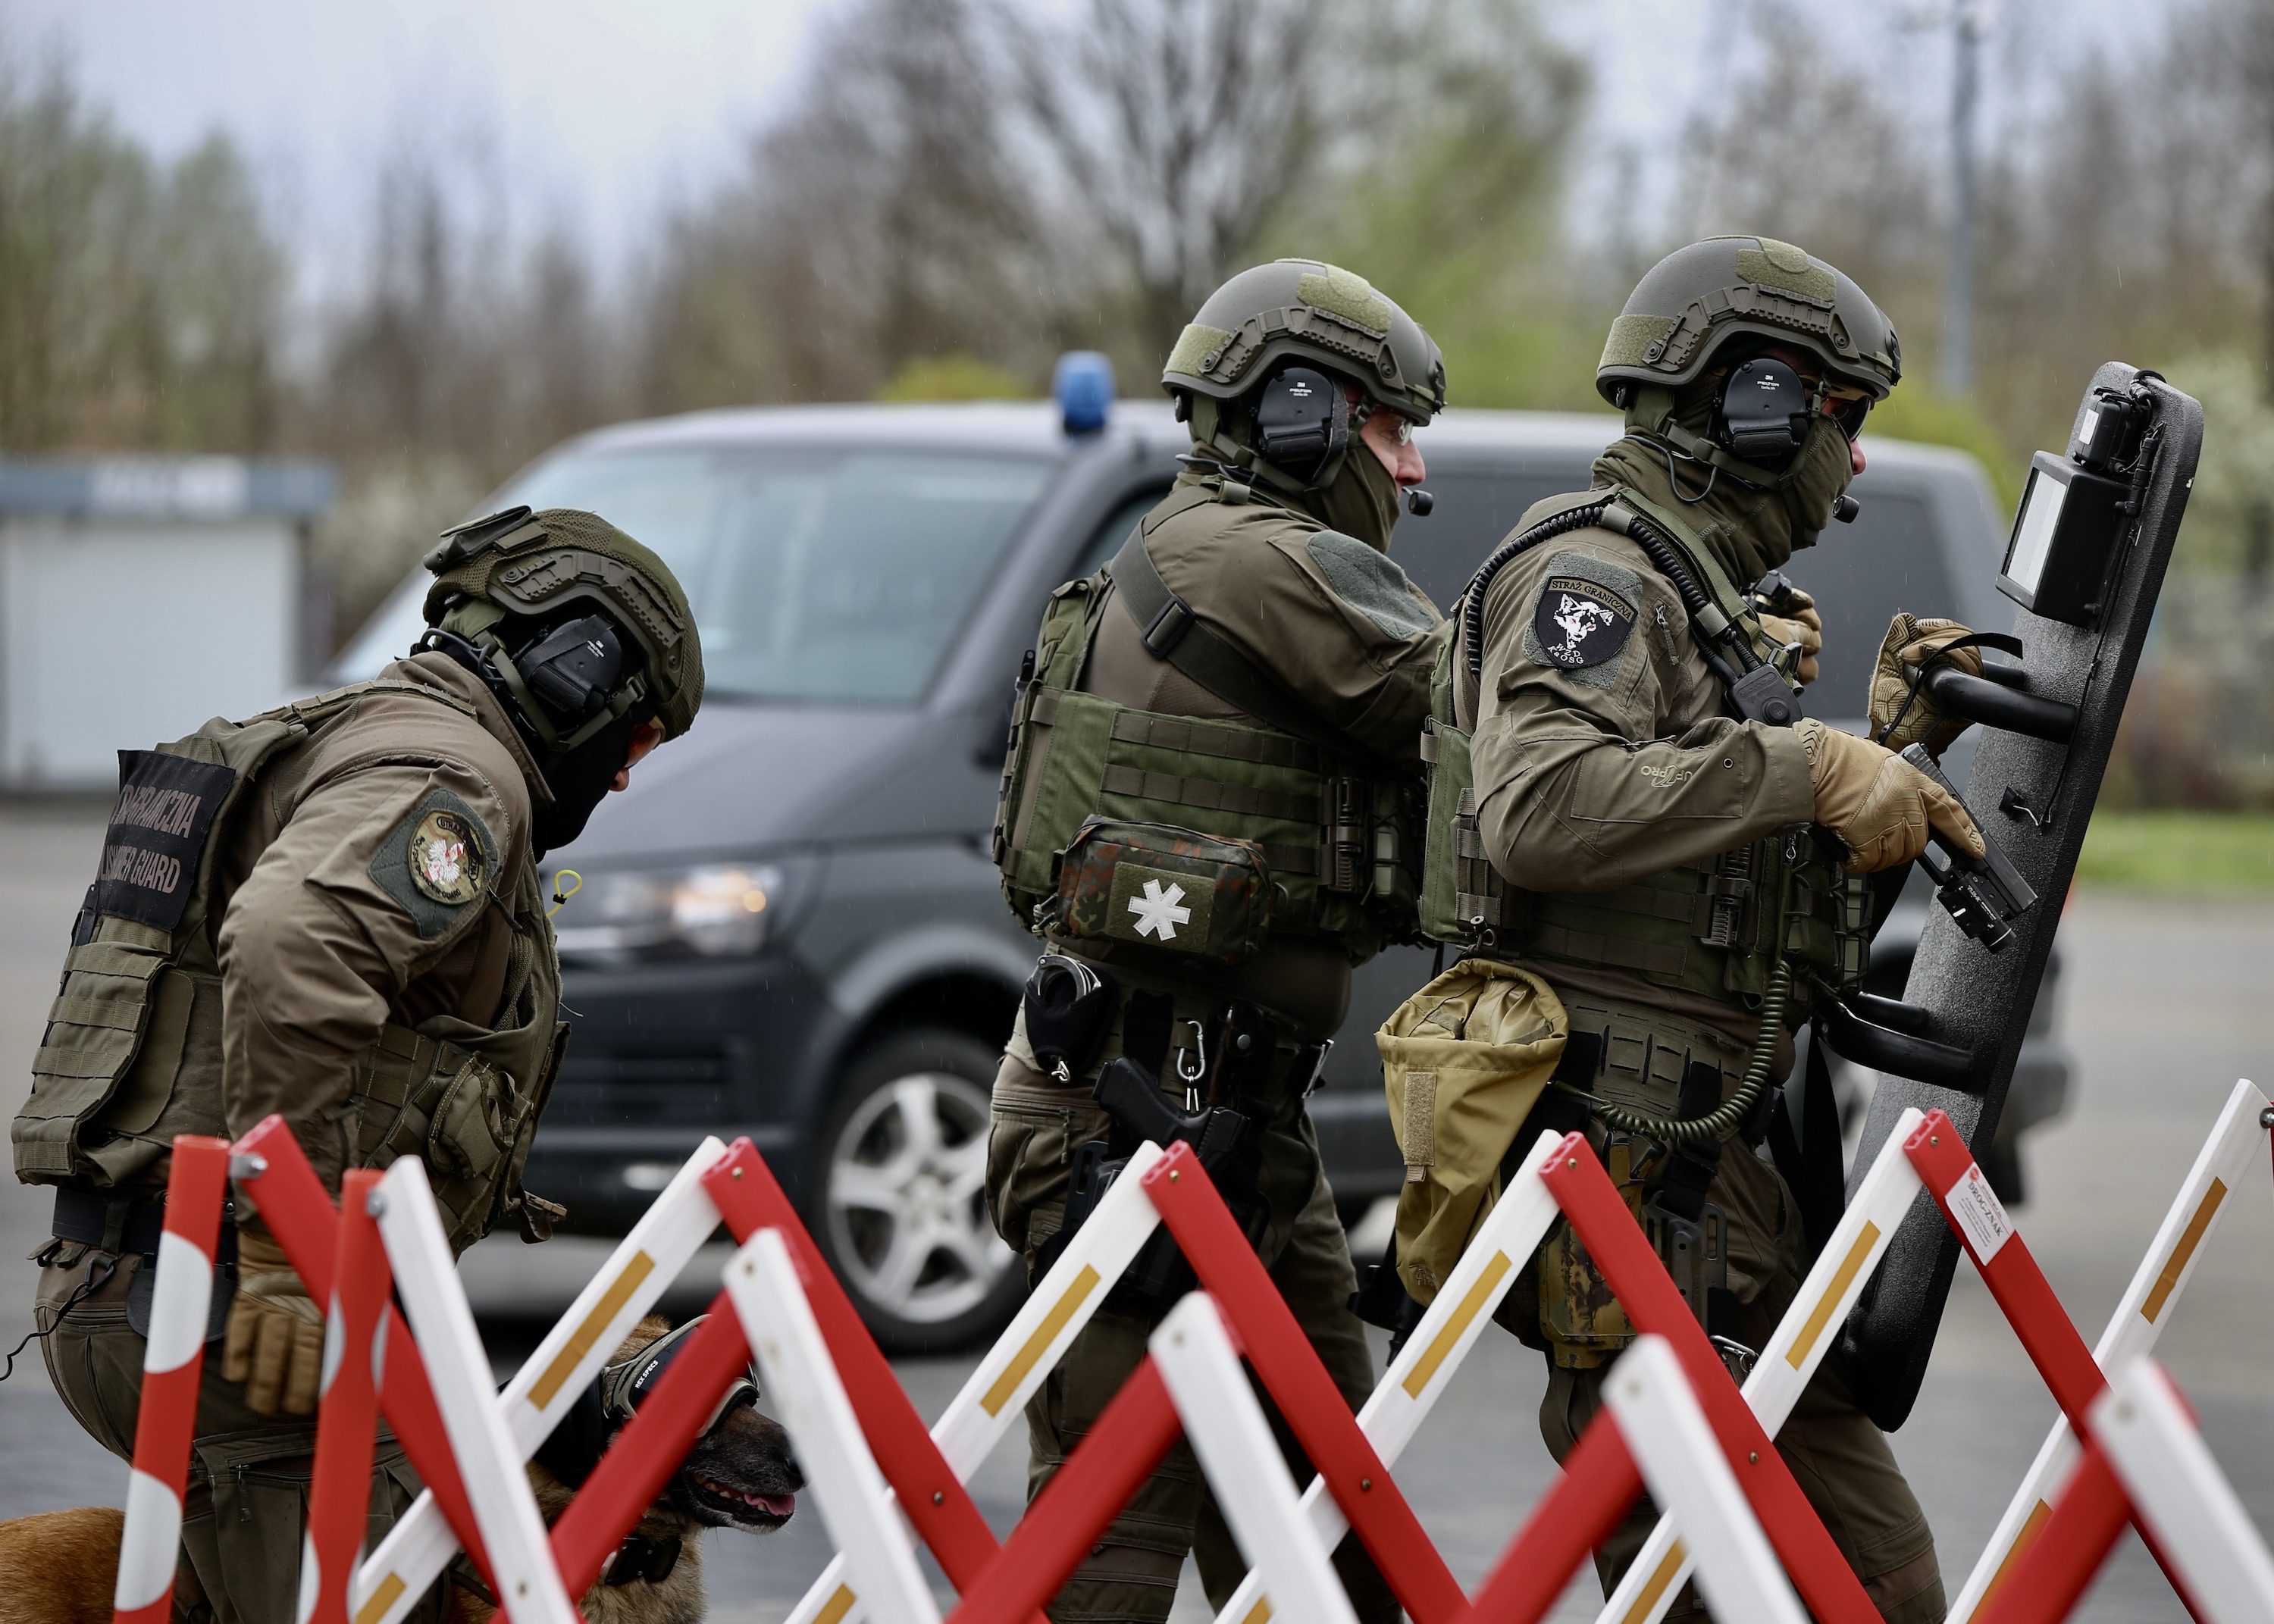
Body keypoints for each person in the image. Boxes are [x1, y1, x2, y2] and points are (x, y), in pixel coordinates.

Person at [11, 505, 702, 1623]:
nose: (622, 779)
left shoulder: (344, 734)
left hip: (139, 1289)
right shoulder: (453, 773)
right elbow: (290, 943)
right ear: (579, 675)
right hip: (241, 1317)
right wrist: (291, 1250)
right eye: (635, 739)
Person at [1440, 236, 1981, 1623]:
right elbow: (1544, 810)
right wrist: (1810, 769)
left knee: (1828, 1580)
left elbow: (1718, 896)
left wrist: (1885, 756)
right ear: (1750, 408)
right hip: (1638, 1187)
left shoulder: (1690, 590)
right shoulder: (1600, 580)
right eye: (1842, 420)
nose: (1855, 464)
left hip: (1699, 1174)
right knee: (1811, 1582)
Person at [987, 258, 1446, 1624]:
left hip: (1230, 1119)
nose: (1412, 470)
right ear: (1298, 414)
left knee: (1327, 1523)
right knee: (1111, 1559)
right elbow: (1486, 716)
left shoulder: (1192, 549)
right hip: (1134, 1123)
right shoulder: (1260, 563)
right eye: (1389, 428)